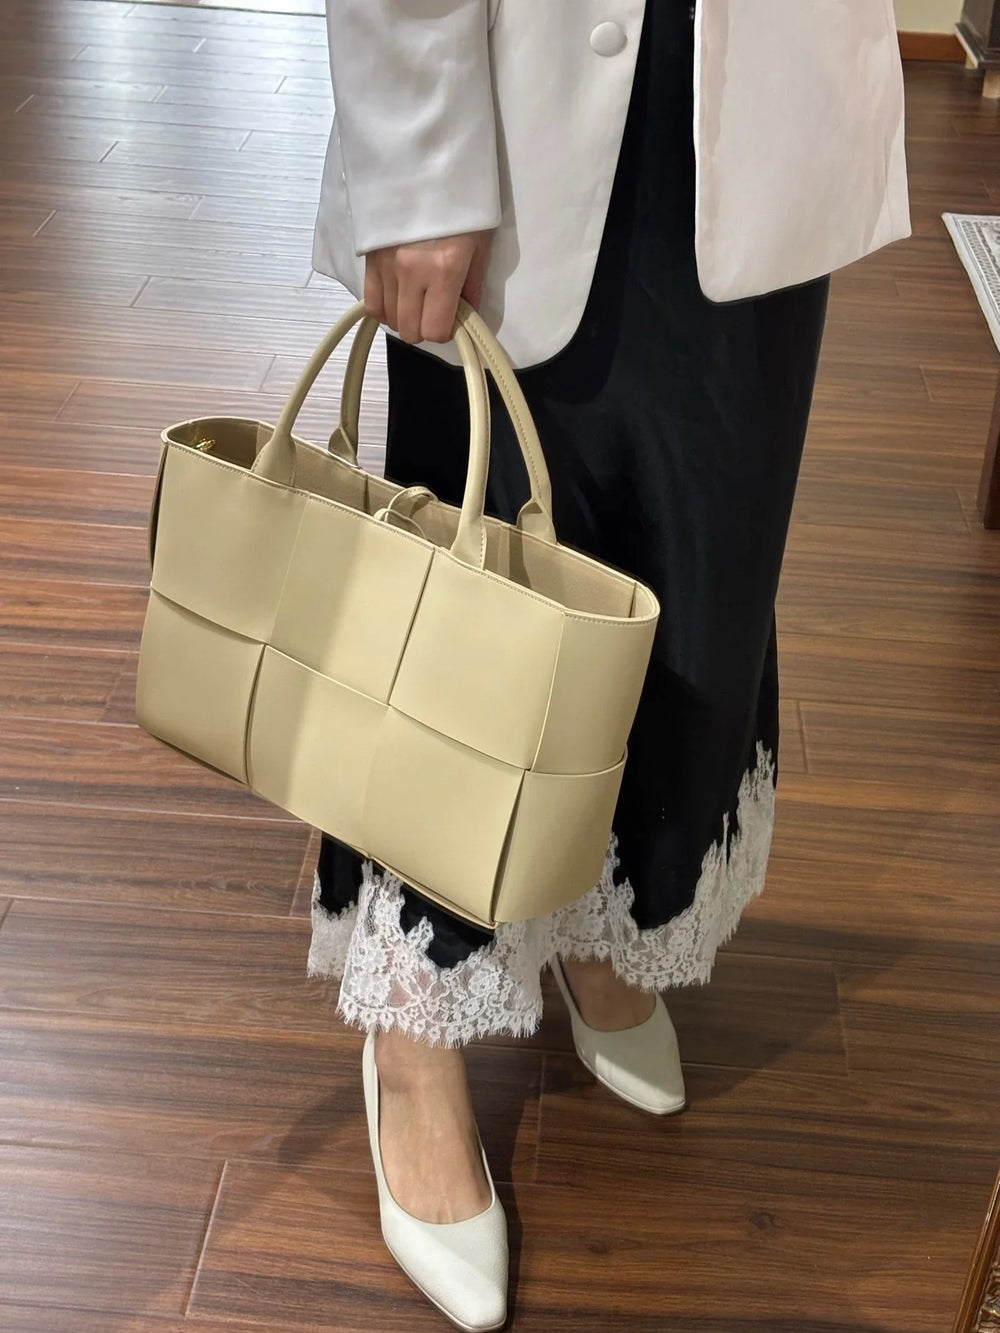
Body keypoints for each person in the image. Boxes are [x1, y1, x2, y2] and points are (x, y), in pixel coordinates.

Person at [309, 3, 910, 1328]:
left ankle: (602, 912)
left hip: (771, 80)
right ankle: (411, 1033)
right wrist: (417, 157)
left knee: (703, 559)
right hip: (509, 86)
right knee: (474, 586)